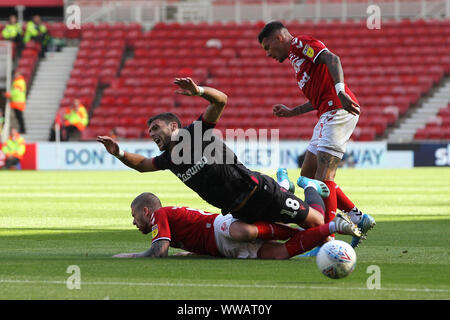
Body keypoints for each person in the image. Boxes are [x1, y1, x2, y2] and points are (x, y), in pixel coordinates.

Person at [98, 77, 326, 230]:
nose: (151, 133)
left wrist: (199, 91)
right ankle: (287, 187)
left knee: (316, 223)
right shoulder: (168, 159)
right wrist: (118, 152)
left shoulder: (194, 133)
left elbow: (221, 101)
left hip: (260, 193)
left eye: (156, 127)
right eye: (150, 131)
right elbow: (142, 164)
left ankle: (309, 186)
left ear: (174, 127)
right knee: (264, 236)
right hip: (240, 212)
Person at [258, 21, 375, 248]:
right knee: (308, 176)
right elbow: (317, 97)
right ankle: (358, 217)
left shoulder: (300, 43)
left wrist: (340, 90)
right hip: (326, 113)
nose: (268, 54)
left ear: (277, 39)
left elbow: (333, 59)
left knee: (323, 178)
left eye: (267, 48)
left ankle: (326, 239)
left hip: (337, 111)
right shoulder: (296, 59)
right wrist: (293, 112)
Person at [112, 192, 360, 259]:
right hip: (222, 249)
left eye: (135, 216)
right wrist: (197, 253)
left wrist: (128, 255)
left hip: (219, 226)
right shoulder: (164, 222)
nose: (134, 222)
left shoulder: (160, 215)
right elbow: (188, 240)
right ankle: (330, 227)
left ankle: (307, 207)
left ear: (146, 211)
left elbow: (160, 253)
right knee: (279, 255)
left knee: (244, 231)